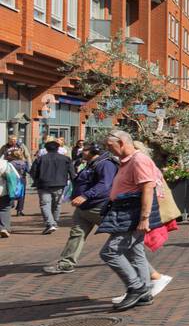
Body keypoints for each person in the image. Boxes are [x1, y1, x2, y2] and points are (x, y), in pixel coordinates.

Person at [97, 130, 165, 311]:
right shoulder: (126, 161)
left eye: (110, 146)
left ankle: (136, 287)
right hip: (126, 212)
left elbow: (148, 189)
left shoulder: (138, 160)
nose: (108, 149)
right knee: (135, 253)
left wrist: (144, 218)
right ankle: (145, 293)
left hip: (131, 215)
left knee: (110, 252)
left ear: (121, 142)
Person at [42, 143, 118, 273]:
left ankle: (134, 254)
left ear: (94, 151)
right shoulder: (91, 164)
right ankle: (66, 263)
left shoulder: (106, 164)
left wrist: (85, 196)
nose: (82, 151)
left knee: (119, 233)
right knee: (76, 234)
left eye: (85, 150)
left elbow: (104, 185)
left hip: (99, 207)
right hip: (84, 209)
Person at [30, 139, 74, 234]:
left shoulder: (40, 159)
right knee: (57, 204)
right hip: (60, 184)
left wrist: (36, 180)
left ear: (46, 149)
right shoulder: (65, 159)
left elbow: (33, 171)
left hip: (43, 184)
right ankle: (54, 222)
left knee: (45, 204)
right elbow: (72, 173)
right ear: (58, 148)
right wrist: (74, 183)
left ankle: (50, 224)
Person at [0, 146, 26, 237]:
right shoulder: (5, 164)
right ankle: (4, 228)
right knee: (4, 209)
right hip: (3, 191)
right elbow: (15, 178)